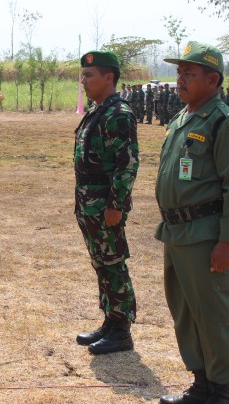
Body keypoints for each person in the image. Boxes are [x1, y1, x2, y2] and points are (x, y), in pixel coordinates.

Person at [157, 41, 229, 404]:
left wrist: (228, 241)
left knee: (215, 313)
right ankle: (201, 384)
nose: (179, 79)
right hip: (176, 232)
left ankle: (221, 391)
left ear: (212, 80)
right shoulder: (181, 119)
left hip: (205, 235)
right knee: (184, 311)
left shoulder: (225, 123)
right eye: (179, 72)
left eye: (189, 73)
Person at [73, 50, 139, 355]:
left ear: (109, 78)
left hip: (104, 204)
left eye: (89, 75)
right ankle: (110, 321)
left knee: (113, 262)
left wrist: (116, 206)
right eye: (83, 75)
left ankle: (122, 329)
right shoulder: (97, 109)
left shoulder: (118, 113)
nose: (83, 80)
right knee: (100, 261)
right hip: (89, 201)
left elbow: (126, 164)